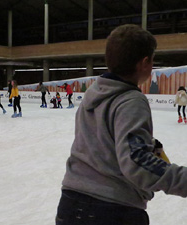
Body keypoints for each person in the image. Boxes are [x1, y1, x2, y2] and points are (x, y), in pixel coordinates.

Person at [56, 24, 187, 225]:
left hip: (70, 205)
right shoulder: (131, 100)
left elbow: (101, 141)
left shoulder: (94, 92)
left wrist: (144, 142)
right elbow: (137, 162)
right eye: (152, 61)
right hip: (111, 211)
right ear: (144, 63)